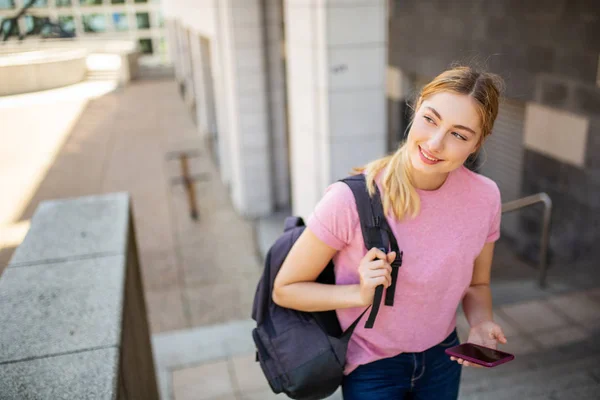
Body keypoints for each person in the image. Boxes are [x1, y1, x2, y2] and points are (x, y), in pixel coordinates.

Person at [272, 65, 508, 400]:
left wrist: (481, 323)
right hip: (371, 366)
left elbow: (478, 284)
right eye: (431, 119)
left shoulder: (486, 198)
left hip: (443, 358)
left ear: (477, 144)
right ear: (416, 108)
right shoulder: (350, 199)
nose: (435, 143)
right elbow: (286, 289)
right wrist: (359, 294)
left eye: (459, 134)